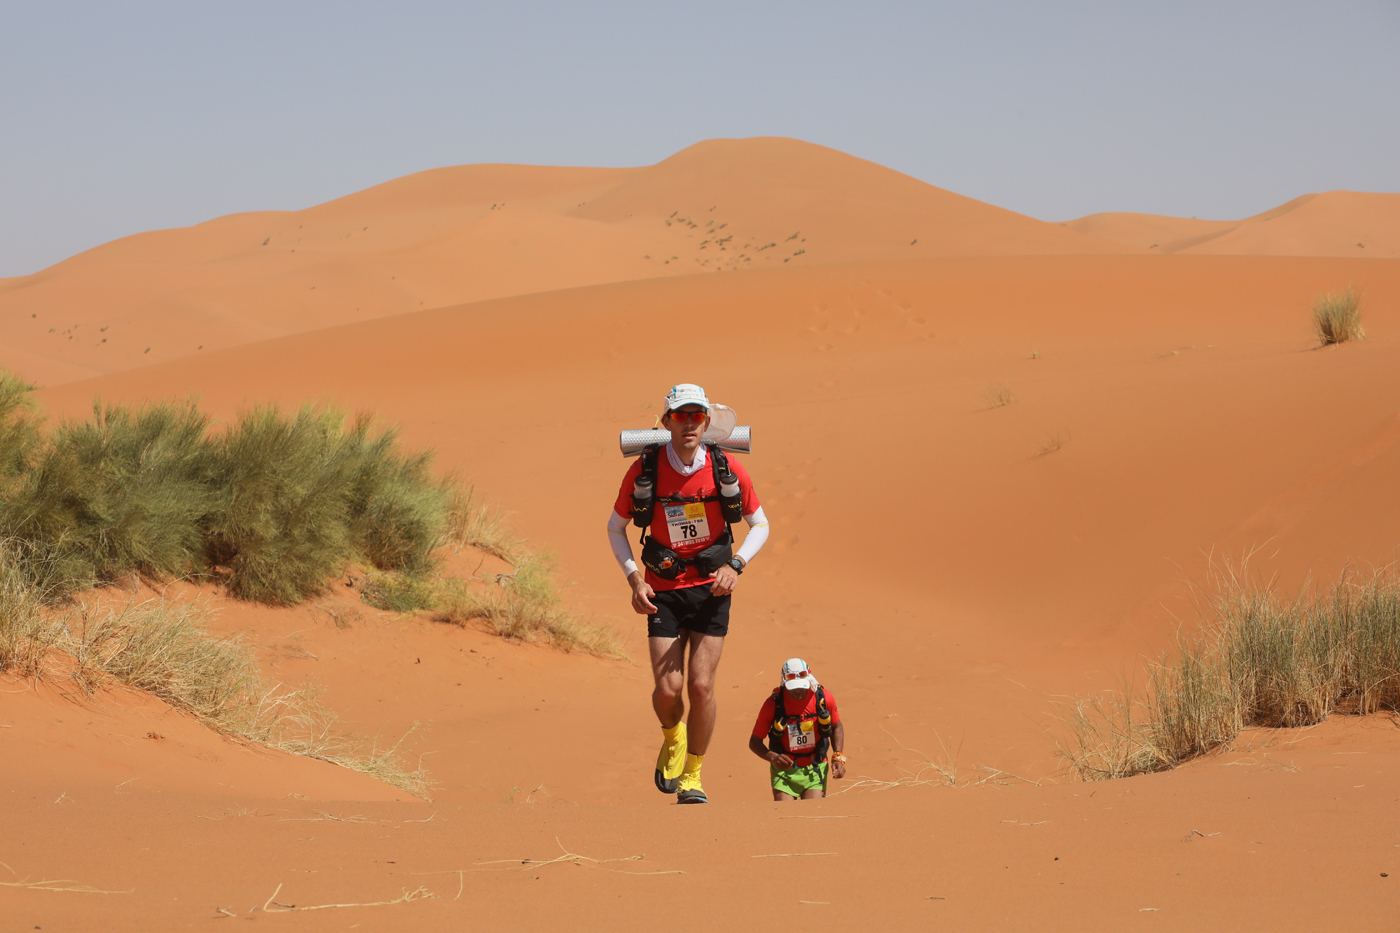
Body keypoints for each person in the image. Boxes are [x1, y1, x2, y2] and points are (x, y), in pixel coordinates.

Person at [607, 383, 770, 804]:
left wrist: (737, 566)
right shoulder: (646, 469)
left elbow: (761, 525)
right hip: (661, 588)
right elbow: (615, 527)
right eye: (680, 415)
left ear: (707, 422)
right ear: (665, 423)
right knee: (667, 691)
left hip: (713, 588)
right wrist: (633, 579)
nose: (689, 423)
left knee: (701, 687)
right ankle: (672, 734)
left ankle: (693, 776)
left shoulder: (725, 467)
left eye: (696, 415)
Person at [749, 658, 847, 800]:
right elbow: (754, 742)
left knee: (813, 815)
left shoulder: (824, 699)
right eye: (793, 688)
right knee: (785, 816)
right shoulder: (773, 705)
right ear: (784, 683)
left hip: (815, 767)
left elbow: (837, 726)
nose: (798, 691)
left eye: (802, 686)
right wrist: (773, 757)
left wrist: (838, 756)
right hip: (784, 772)